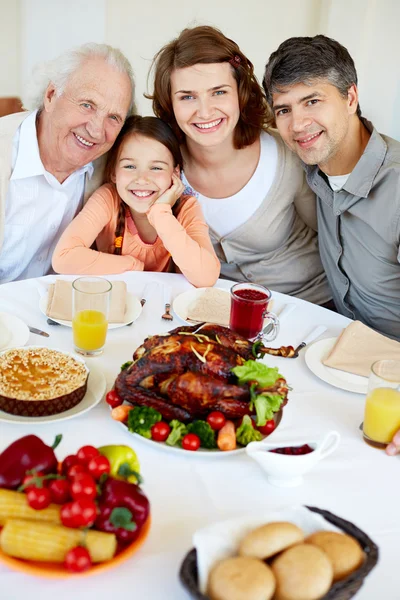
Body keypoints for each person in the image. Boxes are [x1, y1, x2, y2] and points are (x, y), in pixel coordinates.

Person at [148, 26, 332, 306]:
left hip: (309, 306)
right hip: (221, 316)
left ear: (240, 94)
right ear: (169, 104)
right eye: (187, 97)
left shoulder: (286, 156)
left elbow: (333, 236)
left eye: (219, 92)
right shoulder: (160, 167)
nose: (205, 111)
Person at [263, 35, 400, 341]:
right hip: (333, 344)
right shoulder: (309, 167)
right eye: (284, 110)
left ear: (350, 98)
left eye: (312, 101)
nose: (297, 124)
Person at [0, 43, 135, 284]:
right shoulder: (6, 149)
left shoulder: (112, 169)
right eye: (87, 105)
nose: (96, 130)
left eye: (113, 117)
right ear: (51, 96)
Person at [52, 115, 220, 288]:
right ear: (114, 173)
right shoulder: (109, 199)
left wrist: (161, 213)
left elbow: (206, 277)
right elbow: (63, 258)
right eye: (130, 166)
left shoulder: (186, 208)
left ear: (175, 174)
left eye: (156, 168)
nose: (141, 179)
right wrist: (132, 266)